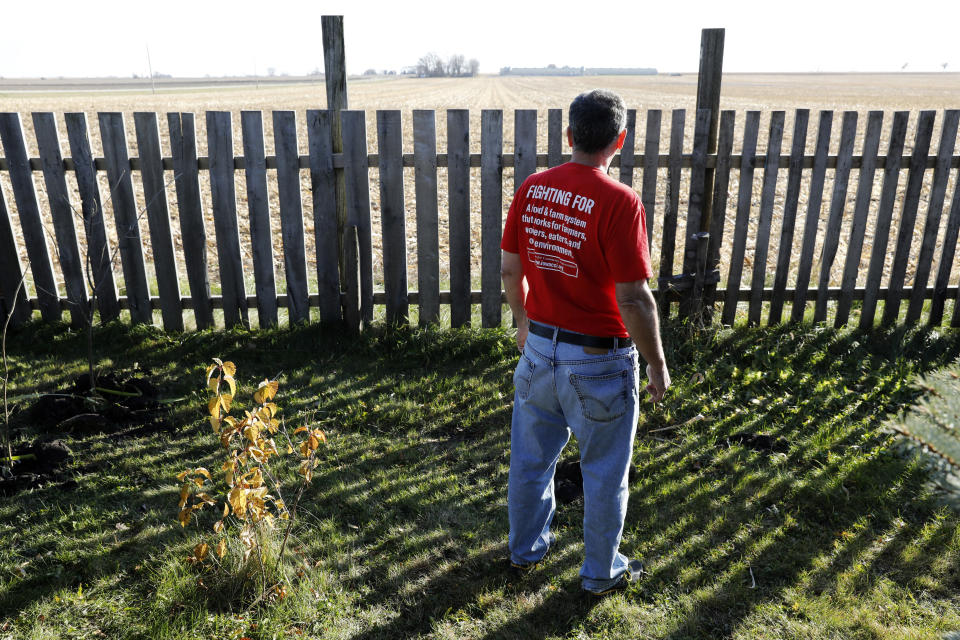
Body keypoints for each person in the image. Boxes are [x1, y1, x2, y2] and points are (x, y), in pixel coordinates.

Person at [500, 89, 670, 596]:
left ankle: (525, 550)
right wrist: (656, 365)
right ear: (619, 140)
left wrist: (523, 321)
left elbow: (511, 268)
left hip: (539, 353)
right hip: (599, 362)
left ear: (570, 136)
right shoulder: (621, 201)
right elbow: (635, 300)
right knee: (604, 473)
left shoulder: (533, 188)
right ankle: (600, 573)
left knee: (531, 462)